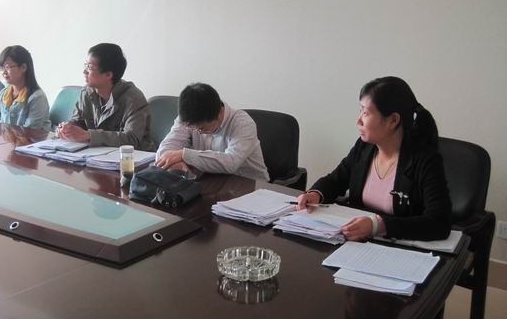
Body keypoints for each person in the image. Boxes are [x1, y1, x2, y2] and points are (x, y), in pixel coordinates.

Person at [296, 76, 451, 241]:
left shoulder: (424, 160)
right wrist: (315, 194)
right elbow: (335, 180)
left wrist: (378, 226)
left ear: (393, 120)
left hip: (397, 247)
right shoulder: (364, 147)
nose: (358, 120)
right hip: (355, 242)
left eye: (366, 113)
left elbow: (439, 223)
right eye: (360, 110)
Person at [155, 83, 269, 181]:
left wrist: (184, 155)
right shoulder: (188, 118)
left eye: (203, 128)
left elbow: (231, 162)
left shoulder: (243, 123)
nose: (198, 132)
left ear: (219, 113)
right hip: (211, 182)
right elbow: (167, 148)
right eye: (194, 129)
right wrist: (176, 163)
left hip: (250, 186)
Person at [56, 43, 154, 151]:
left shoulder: (133, 99)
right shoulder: (86, 92)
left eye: (89, 67)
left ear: (108, 75)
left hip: (133, 157)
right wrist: (68, 127)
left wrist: (89, 135)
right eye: (85, 65)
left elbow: (132, 139)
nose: (84, 72)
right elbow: (79, 120)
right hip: (97, 154)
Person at [0, 45, 51, 131]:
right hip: (10, 139)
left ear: (23, 67)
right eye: (2, 68)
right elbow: (2, 125)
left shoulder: (37, 97)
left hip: (32, 139)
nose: (4, 72)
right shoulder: (3, 94)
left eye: (7, 67)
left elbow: (30, 132)